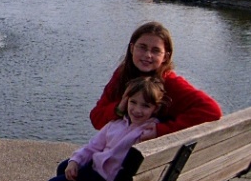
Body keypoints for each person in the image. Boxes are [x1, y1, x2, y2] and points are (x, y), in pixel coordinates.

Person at [40, 76, 170, 181]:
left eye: (145, 106)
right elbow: (93, 146)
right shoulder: (117, 124)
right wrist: (75, 160)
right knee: (65, 167)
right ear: (126, 101)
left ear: (156, 108)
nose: (137, 110)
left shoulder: (147, 132)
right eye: (133, 102)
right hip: (100, 173)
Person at [90, 21, 222, 140]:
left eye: (156, 51)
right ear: (131, 48)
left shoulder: (171, 83)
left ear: (166, 56)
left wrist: (162, 130)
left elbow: (212, 110)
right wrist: (119, 108)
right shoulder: (122, 75)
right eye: (142, 47)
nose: (148, 55)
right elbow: (96, 119)